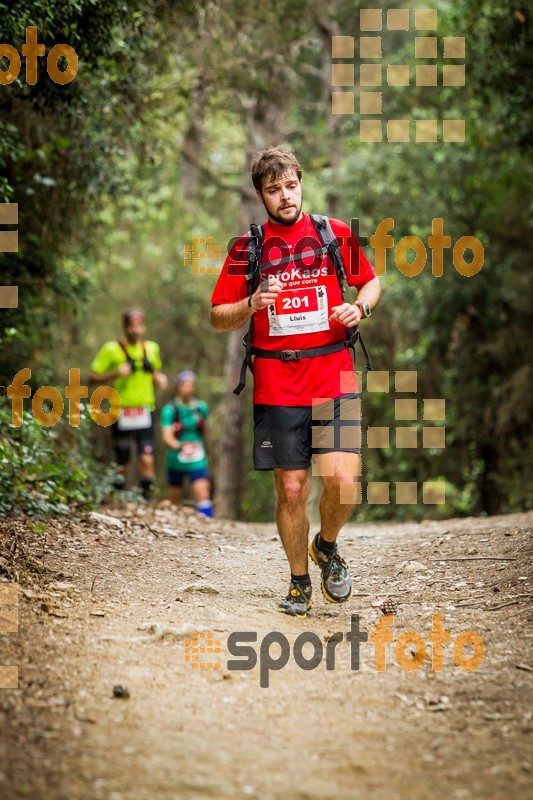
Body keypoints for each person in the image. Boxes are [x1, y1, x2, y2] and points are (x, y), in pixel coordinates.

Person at [210, 146, 381, 617]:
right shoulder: (247, 249)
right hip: (277, 385)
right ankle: (299, 581)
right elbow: (218, 316)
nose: (285, 196)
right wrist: (252, 303)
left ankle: (325, 546)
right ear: (261, 196)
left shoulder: (334, 233)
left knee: (344, 481)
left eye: (290, 185)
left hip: (333, 379)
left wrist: (359, 307)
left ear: (301, 183)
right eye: (273, 189)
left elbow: (371, 282)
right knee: (291, 490)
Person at [89, 309, 168, 500]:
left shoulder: (151, 349)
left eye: (139, 326)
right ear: (126, 328)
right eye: (132, 326)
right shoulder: (111, 349)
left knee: (146, 459)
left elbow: (159, 378)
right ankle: (118, 500)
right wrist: (115, 373)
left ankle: (146, 502)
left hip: (144, 410)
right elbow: (91, 377)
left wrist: (159, 378)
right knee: (122, 461)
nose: (136, 330)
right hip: (121, 411)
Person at [160, 370, 213, 518]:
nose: (188, 388)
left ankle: (207, 521)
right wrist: (181, 446)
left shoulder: (201, 408)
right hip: (176, 457)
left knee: (202, 490)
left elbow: (204, 430)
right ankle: (175, 524)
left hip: (197, 456)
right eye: (185, 385)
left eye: (191, 385)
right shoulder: (170, 410)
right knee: (175, 495)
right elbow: (166, 436)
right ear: (179, 386)